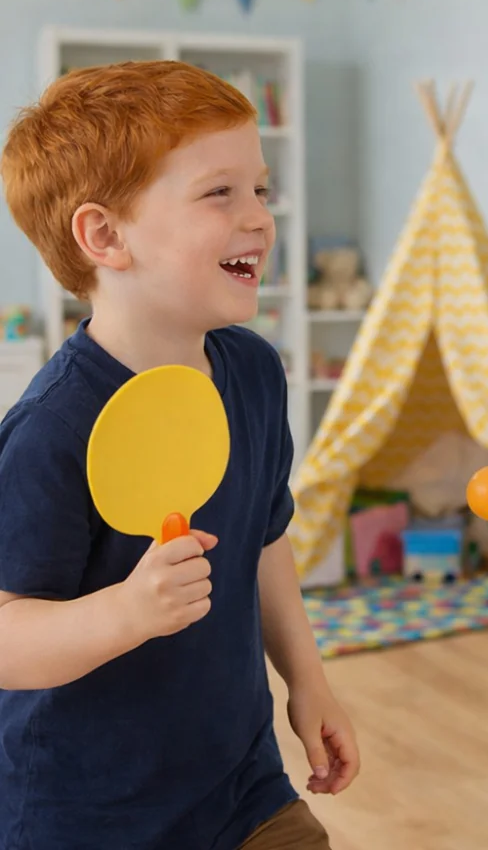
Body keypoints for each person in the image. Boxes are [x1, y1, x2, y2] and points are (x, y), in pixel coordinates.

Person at [0, 61, 359, 849]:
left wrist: (308, 681)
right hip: (85, 817)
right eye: (218, 193)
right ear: (103, 236)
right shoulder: (52, 431)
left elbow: (264, 541)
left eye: (259, 189)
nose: (260, 218)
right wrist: (125, 614)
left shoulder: (255, 373)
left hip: (241, 788)